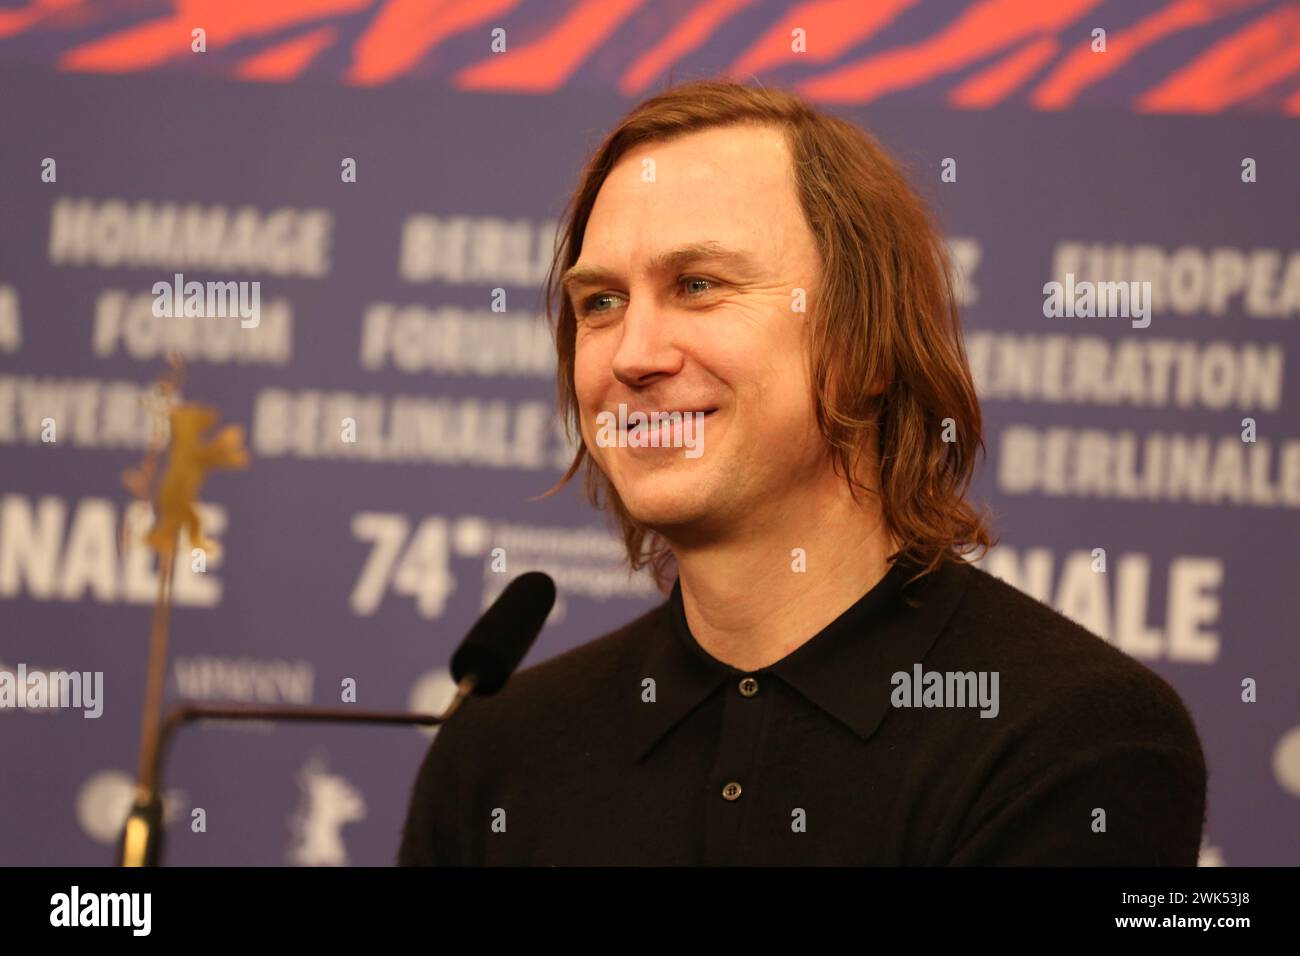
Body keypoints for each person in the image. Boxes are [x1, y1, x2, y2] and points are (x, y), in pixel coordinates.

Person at [398, 79, 1206, 866]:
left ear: (865, 343)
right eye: (600, 303)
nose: (633, 356)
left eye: (699, 286)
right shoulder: (500, 748)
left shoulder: (1073, 736)